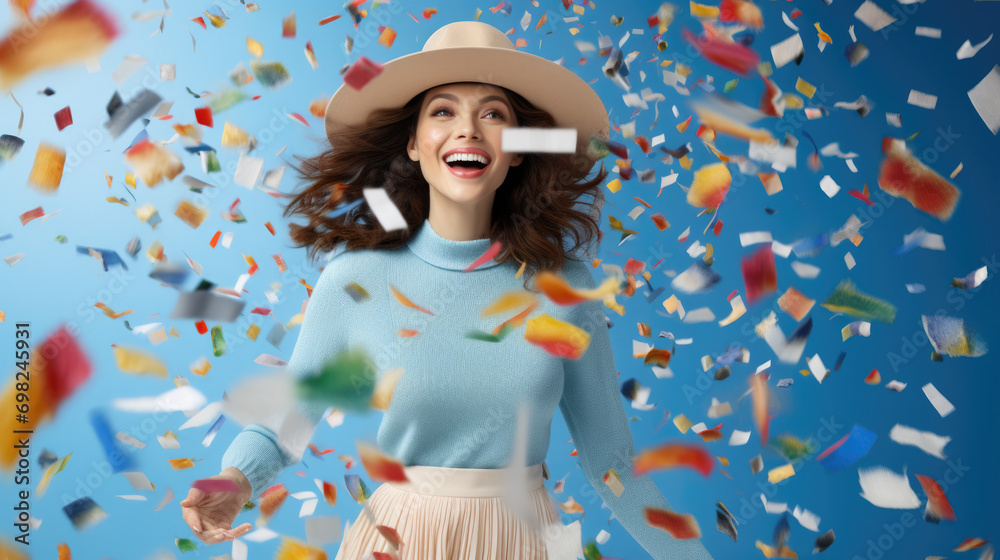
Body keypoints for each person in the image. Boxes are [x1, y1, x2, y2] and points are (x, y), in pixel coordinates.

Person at [180, 20, 715, 560]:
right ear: (413, 144)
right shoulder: (356, 280)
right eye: (443, 111)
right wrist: (234, 483)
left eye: (493, 114)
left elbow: (611, 464)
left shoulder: (565, 286)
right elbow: (284, 427)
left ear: (519, 150)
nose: (468, 130)